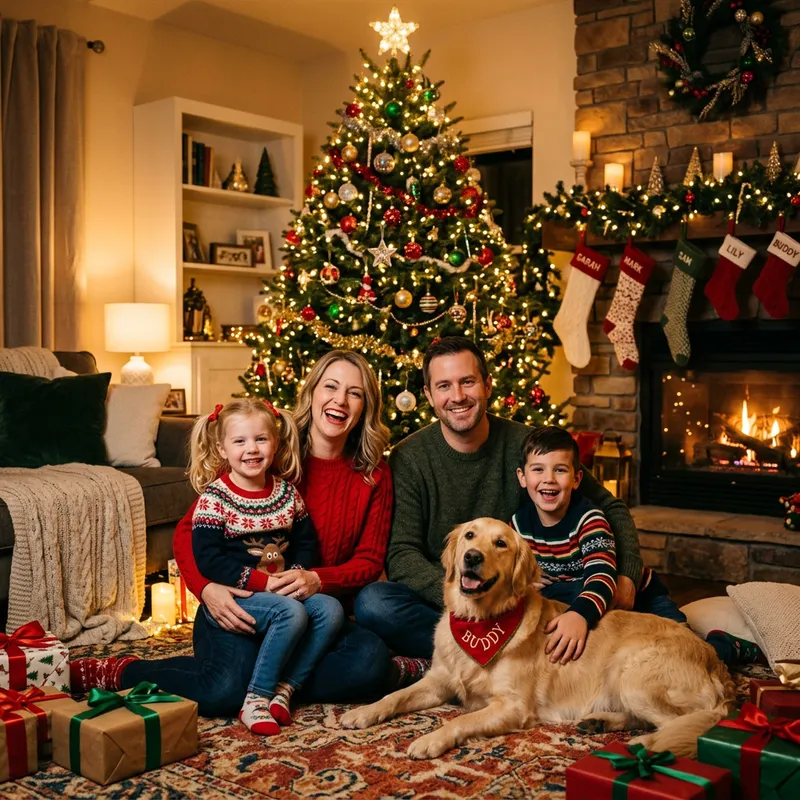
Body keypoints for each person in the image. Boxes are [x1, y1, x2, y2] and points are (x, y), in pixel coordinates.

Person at [71, 350, 394, 715]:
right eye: (330, 387)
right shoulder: (266, 452)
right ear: (312, 393)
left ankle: (270, 681)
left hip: (311, 610)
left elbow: (369, 561)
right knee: (222, 692)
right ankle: (122, 671)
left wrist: (316, 579)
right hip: (242, 602)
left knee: (369, 661)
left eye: (355, 393)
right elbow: (187, 532)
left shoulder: (373, 473)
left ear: (366, 406)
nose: (340, 400)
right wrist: (207, 590)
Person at [355, 336, 648, 682]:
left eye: (467, 381)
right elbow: (402, 553)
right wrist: (463, 595)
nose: (458, 396)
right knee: (374, 604)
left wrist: (626, 573)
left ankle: (510, 661)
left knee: (587, 593)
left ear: (487, 385)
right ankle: (468, 660)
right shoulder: (409, 458)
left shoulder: (526, 446)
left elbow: (609, 506)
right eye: (444, 386)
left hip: (518, 600)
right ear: (430, 396)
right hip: (452, 598)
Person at [189, 398, 343, 734]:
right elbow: (208, 558)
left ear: (275, 443)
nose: (251, 449)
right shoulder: (216, 498)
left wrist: (296, 571)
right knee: (293, 614)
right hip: (245, 594)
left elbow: (305, 541)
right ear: (222, 448)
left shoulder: (286, 493)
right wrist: (260, 583)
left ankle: (285, 688)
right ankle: (256, 699)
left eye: (261, 439)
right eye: (240, 441)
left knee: (330, 609)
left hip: (281, 587)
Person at [511, 425, 618, 666]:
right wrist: (526, 580)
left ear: (577, 478)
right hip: (562, 591)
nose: (548, 479)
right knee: (544, 596)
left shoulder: (590, 520)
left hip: (611, 589)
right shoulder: (518, 524)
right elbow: (510, 569)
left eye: (560, 470)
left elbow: (602, 576)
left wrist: (580, 615)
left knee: (676, 633)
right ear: (522, 477)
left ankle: (722, 645)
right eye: (538, 469)